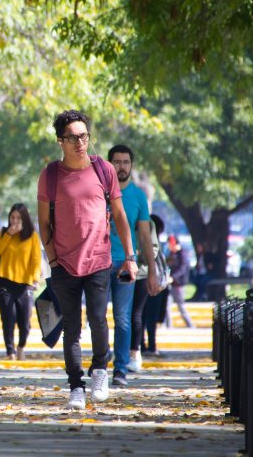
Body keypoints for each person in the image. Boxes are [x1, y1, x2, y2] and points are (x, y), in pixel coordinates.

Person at [37, 109, 137, 411]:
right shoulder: (51, 175)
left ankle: (100, 372)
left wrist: (129, 257)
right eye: (72, 138)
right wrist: (52, 258)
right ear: (60, 141)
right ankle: (75, 386)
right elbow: (43, 223)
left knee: (98, 320)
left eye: (84, 136)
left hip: (98, 261)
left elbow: (118, 215)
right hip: (64, 264)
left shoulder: (103, 170)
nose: (80, 142)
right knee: (71, 327)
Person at [107, 144, 159, 386]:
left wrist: (152, 271)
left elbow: (145, 237)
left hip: (126, 264)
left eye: (126, 162)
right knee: (96, 317)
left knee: (123, 318)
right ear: (109, 165)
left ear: (131, 165)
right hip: (97, 262)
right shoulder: (100, 192)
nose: (122, 166)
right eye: (117, 162)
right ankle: (100, 362)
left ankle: (120, 369)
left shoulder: (138, 196)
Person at [0, 203, 42, 361]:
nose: (15, 221)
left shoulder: (32, 235)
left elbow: (36, 260)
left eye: (18, 218)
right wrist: (9, 235)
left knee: (25, 322)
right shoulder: (3, 232)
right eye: (12, 217)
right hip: (4, 282)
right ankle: (10, 351)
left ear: (25, 219)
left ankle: (21, 346)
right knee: (8, 318)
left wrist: (34, 279)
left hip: (25, 284)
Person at [141, 214, 169, 356]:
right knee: (150, 317)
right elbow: (163, 267)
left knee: (141, 316)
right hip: (155, 284)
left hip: (143, 282)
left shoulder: (143, 243)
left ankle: (142, 345)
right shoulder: (155, 246)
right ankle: (151, 345)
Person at [166, 235, 194, 328]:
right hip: (170, 284)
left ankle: (190, 326)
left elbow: (182, 269)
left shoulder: (182, 254)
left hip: (178, 284)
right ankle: (168, 327)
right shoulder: (171, 254)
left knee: (181, 307)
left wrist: (173, 277)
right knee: (167, 307)